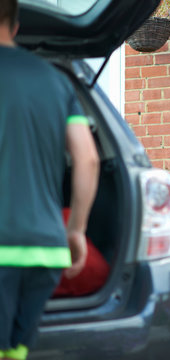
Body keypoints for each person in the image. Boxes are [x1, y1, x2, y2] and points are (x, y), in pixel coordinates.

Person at [0, 1, 100, 359]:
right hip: (45, 250)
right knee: (14, 351)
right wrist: (74, 230)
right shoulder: (56, 81)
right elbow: (88, 159)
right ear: (15, 26)